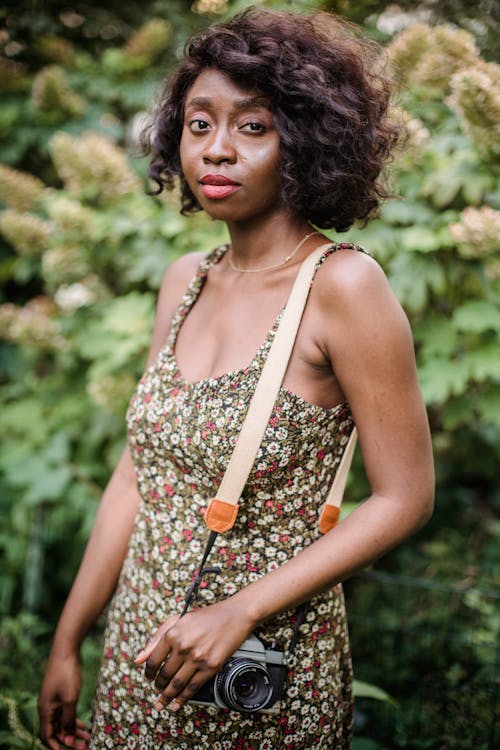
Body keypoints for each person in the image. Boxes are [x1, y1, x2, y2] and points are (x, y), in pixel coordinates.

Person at [38, 7, 434, 750]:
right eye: (199, 124)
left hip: (262, 669)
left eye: (253, 127)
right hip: (143, 651)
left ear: (309, 140)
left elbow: (405, 499)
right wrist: (69, 642)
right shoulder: (184, 280)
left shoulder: (344, 286)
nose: (217, 150)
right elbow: (137, 475)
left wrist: (240, 610)